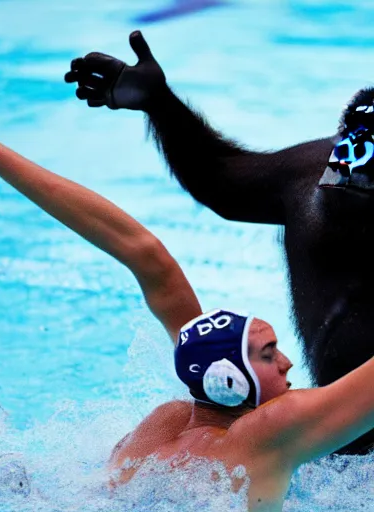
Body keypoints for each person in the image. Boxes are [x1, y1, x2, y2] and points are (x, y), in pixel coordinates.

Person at [0, 129, 374, 511]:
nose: (289, 363)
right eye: (268, 355)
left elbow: (143, 254)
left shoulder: (158, 428)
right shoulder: (271, 434)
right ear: (230, 380)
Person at [65, 30, 374, 454]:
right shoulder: (321, 176)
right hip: (332, 447)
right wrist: (161, 105)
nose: (339, 188)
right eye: (340, 174)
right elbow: (222, 180)